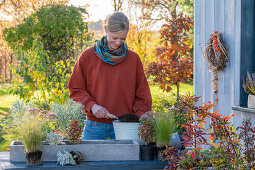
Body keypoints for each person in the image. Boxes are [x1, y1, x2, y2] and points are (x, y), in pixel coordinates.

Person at [68, 11, 152, 140]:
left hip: (126, 127)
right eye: (114, 37)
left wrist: (143, 114)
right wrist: (92, 106)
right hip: (94, 126)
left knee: (126, 161)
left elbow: (142, 94)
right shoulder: (87, 56)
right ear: (105, 29)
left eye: (123, 38)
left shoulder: (133, 59)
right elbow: (75, 90)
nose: (118, 42)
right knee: (90, 160)